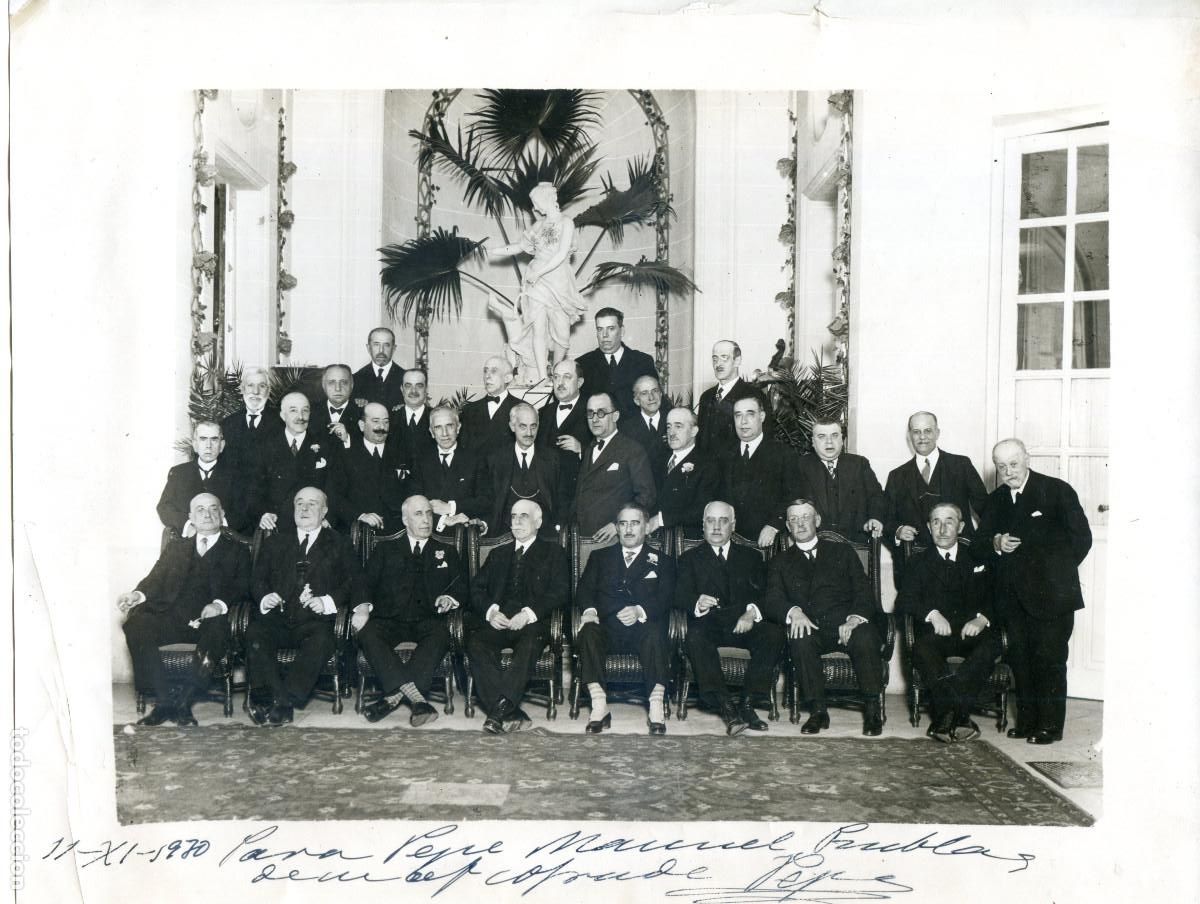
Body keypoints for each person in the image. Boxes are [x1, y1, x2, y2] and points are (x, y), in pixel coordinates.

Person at [975, 438, 1092, 745]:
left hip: (1052, 597)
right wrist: (995, 543)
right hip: (1013, 598)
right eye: (1001, 466)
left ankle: (1050, 726)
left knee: (1049, 661)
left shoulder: (1056, 490)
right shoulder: (996, 500)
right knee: (1021, 661)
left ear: (1027, 459)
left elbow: (1082, 539)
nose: (1008, 472)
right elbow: (978, 545)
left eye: (1013, 464)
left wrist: (1055, 574)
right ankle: (1027, 723)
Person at [118, 493, 250, 726]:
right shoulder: (176, 548)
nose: (207, 514)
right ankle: (164, 701)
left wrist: (219, 604)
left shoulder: (237, 550)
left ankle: (184, 702)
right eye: (200, 510)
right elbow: (155, 579)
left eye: (213, 509)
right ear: (191, 517)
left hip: (209, 621)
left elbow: (243, 586)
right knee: (136, 624)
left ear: (222, 514)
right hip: (173, 618)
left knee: (219, 630)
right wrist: (136, 595)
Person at [764, 499, 885, 736]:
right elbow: (772, 599)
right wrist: (794, 612)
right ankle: (818, 711)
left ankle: (872, 710)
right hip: (811, 626)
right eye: (793, 519)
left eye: (805, 517)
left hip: (846, 623)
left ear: (817, 520)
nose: (800, 524)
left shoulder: (842, 552)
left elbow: (864, 592)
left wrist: (854, 619)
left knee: (866, 636)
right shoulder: (780, 561)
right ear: (788, 526)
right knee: (800, 638)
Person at [246, 487, 357, 726]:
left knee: (322, 639)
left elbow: (352, 583)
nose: (304, 509)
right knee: (255, 632)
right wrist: (266, 597)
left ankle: (283, 698)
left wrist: (327, 601)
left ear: (324, 511)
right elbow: (257, 579)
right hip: (279, 618)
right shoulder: (275, 542)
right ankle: (280, 701)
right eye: (299, 503)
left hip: (314, 622)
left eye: (312, 504)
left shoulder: (340, 543)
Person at [353, 495, 467, 726]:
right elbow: (363, 582)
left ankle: (392, 698)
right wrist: (363, 608)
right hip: (390, 619)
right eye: (418, 514)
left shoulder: (446, 551)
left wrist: (449, 598)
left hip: (428, 620)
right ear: (405, 520)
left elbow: (462, 586)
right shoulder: (385, 549)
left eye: (429, 514)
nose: (426, 520)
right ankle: (417, 700)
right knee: (368, 633)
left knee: (441, 634)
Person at [676, 501, 785, 735]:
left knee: (774, 634)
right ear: (703, 525)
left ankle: (747, 704)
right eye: (711, 521)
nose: (716, 527)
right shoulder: (689, 558)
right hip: (709, 624)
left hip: (744, 622)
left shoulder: (752, 557)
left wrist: (751, 612)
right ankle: (727, 707)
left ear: (733, 525)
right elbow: (679, 594)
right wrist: (697, 602)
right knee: (695, 637)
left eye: (723, 521)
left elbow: (767, 594)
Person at [897, 502, 1000, 743]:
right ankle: (961, 717)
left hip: (972, 632)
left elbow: (999, 596)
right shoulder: (917, 562)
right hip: (936, 635)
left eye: (949, 521)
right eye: (936, 522)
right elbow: (905, 600)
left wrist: (982, 619)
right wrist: (932, 614)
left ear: (961, 527)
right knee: (922, 648)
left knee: (990, 646)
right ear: (928, 527)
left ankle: (945, 716)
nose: (942, 529)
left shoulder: (978, 558)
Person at [465, 500, 569, 734]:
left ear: (538, 522)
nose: (517, 521)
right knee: (476, 642)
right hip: (500, 621)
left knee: (529, 644)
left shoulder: (553, 553)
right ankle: (510, 712)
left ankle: (499, 710)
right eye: (513, 516)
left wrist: (528, 614)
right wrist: (491, 612)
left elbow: (560, 592)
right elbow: (476, 589)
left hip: (533, 624)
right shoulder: (498, 553)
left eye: (524, 516)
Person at [575, 505, 676, 735]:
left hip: (643, 630)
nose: (628, 529)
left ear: (646, 528)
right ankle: (599, 706)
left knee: (656, 632)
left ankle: (656, 707)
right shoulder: (600, 557)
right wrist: (589, 611)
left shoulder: (663, 561)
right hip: (608, 628)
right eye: (623, 523)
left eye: (635, 523)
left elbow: (666, 597)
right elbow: (584, 590)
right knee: (588, 631)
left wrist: (639, 610)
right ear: (617, 528)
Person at [487, 182, 589, 384]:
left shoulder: (566, 223)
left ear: (546, 199)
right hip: (536, 281)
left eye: (536, 202)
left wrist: (540, 273)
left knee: (562, 334)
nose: (535, 207)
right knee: (537, 329)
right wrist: (493, 251)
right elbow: (518, 247)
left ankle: (556, 373)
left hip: (558, 280)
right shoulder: (538, 226)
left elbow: (561, 254)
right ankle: (543, 377)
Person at [884, 411, 988, 587]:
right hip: (915, 567)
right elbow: (886, 519)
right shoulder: (897, 476)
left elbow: (986, 509)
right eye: (916, 432)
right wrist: (898, 530)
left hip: (960, 562)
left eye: (928, 431)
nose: (922, 437)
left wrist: (980, 544)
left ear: (937, 433)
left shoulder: (961, 465)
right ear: (909, 436)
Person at [719, 394, 804, 547]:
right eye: (738, 415)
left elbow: (793, 496)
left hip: (768, 542)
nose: (743, 421)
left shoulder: (783, 454)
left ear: (762, 416)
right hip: (729, 542)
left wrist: (774, 525)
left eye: (750, 414)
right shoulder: (724, 454)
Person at [572, 392, 656, 542]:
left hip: (615, 539)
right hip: (584, 537)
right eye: (590, 413)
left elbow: (646, 496)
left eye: (601, 413)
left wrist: (617, 524)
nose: (595, 419)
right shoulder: (590, 448)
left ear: (615, 416)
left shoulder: (632, 450)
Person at [255, 391, 338, 532]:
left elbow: (334, 488)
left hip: (315, 524)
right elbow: (255, 487)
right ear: (283, 415)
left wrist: (327, 518)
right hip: (276, 526)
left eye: (305, 411)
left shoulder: (326, 445)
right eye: (293, 410)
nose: (301, 417)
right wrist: (263, 513)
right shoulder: (265, 445)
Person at [328, 402, 416, 535]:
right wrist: (360, 516)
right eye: (375, 421)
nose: (382, 427)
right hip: (358, 531)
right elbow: (334, 495)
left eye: (386, 422)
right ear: (362, 425)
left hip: (397, 532)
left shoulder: (402, 453)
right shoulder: (346, 455)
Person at [156, 420, 256, 536]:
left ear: (222, 445)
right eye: (203, 439)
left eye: (214, 439)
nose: (208, 445)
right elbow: (164, 507)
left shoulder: (238, 475)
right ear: (195, 445)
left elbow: (246, 511)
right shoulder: (179, 473)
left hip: (225, 539)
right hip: (188, 541)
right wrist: (188, 526)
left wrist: (219, 527)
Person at [481, 402, 566, 536]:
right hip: (505, 534)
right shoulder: (496, 459)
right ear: (512, 426)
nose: (529, 433)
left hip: (543, 534)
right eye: (523, 426)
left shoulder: (552, 458)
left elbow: (562, 500)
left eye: (533, 426)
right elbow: (488, 501)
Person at [797, 419, 888, 544]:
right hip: (814, 544)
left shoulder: (859, 464)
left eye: (834, 435)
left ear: (842, 440)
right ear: (813, 442)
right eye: (822, 436)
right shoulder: (800, 466)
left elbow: (876, 496)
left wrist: (875, 518)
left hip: (855, 544)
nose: (829, 441)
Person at [411, 405, 489, 533]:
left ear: (458, 428)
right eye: (438, 427)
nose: (445, 433)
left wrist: (451, 507)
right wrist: (442, 520)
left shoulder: (475, 459)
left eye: (449, 426)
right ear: (431, 432)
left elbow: (485, 501)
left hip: (463, 534)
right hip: (430, 533)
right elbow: (413, 503)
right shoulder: (420, 461)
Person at [575, 307, 658, 422]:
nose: (605, 335)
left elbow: (656, 402)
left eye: (611, 329)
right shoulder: (583, 364)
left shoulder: (642, 362)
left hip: (634, 431)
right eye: (600, 329)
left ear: (622, 331)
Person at [647, 407, 719, 538]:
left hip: (684, 540)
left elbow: (703, 509)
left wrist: (661, 520)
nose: (671, 433)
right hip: (653, 537)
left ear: (694, 431)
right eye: (669, 427)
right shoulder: (659, 459)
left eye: (678, 426)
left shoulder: (707, 464)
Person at [536, 357, 591, 504]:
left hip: (579, 494)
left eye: (567, 377)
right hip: (546, 494)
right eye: (556, 377)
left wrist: (581, 449)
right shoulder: (542, 412)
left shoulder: (592, 410)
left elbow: (608, 449)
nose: (560, 383)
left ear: (580, 382)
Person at [696, 340, 760, 454]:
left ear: (737, 361)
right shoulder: (706, 397)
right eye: (715, 359)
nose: (718, 364)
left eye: (724, 357)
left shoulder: (753, 395)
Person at [220, 366, 276, 476]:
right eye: (250, 385)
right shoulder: (227, 424)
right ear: (242, 389)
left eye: (262, 386)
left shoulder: (281, 423)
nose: (256, 391)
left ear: (268, 391)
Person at [459, 356, 520, 458]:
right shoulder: (469, 410)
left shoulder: (522, 408)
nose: (487, 376)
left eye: (494, 371)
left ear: (507, 378)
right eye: (485, 371)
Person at [619, 373, 670, 484]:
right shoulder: (626, 429)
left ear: (661, 394)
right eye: (644, 393)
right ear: (636, 400)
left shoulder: (672, 420)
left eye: (655, 391)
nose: (651, 397)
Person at [307, 364, 362, 450]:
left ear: (351, 385)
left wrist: (347, 439)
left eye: (343, 382)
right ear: (323, 385)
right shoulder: (310, 412)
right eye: (332, 382)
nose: (338, 388)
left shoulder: (363, 413)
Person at [353, 327, 406, 411]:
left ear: (394, 348)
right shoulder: (356, 378)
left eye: (386, 345)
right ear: (368, 348)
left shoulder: (405, 378)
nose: (381, 350)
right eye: (376, 344)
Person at [393, 368, 435, 462]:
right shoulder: (390, 419)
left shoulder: (436, 419)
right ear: (402, 389)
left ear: (426, 389)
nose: (413, 391)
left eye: (419, 386)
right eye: (408, 386)